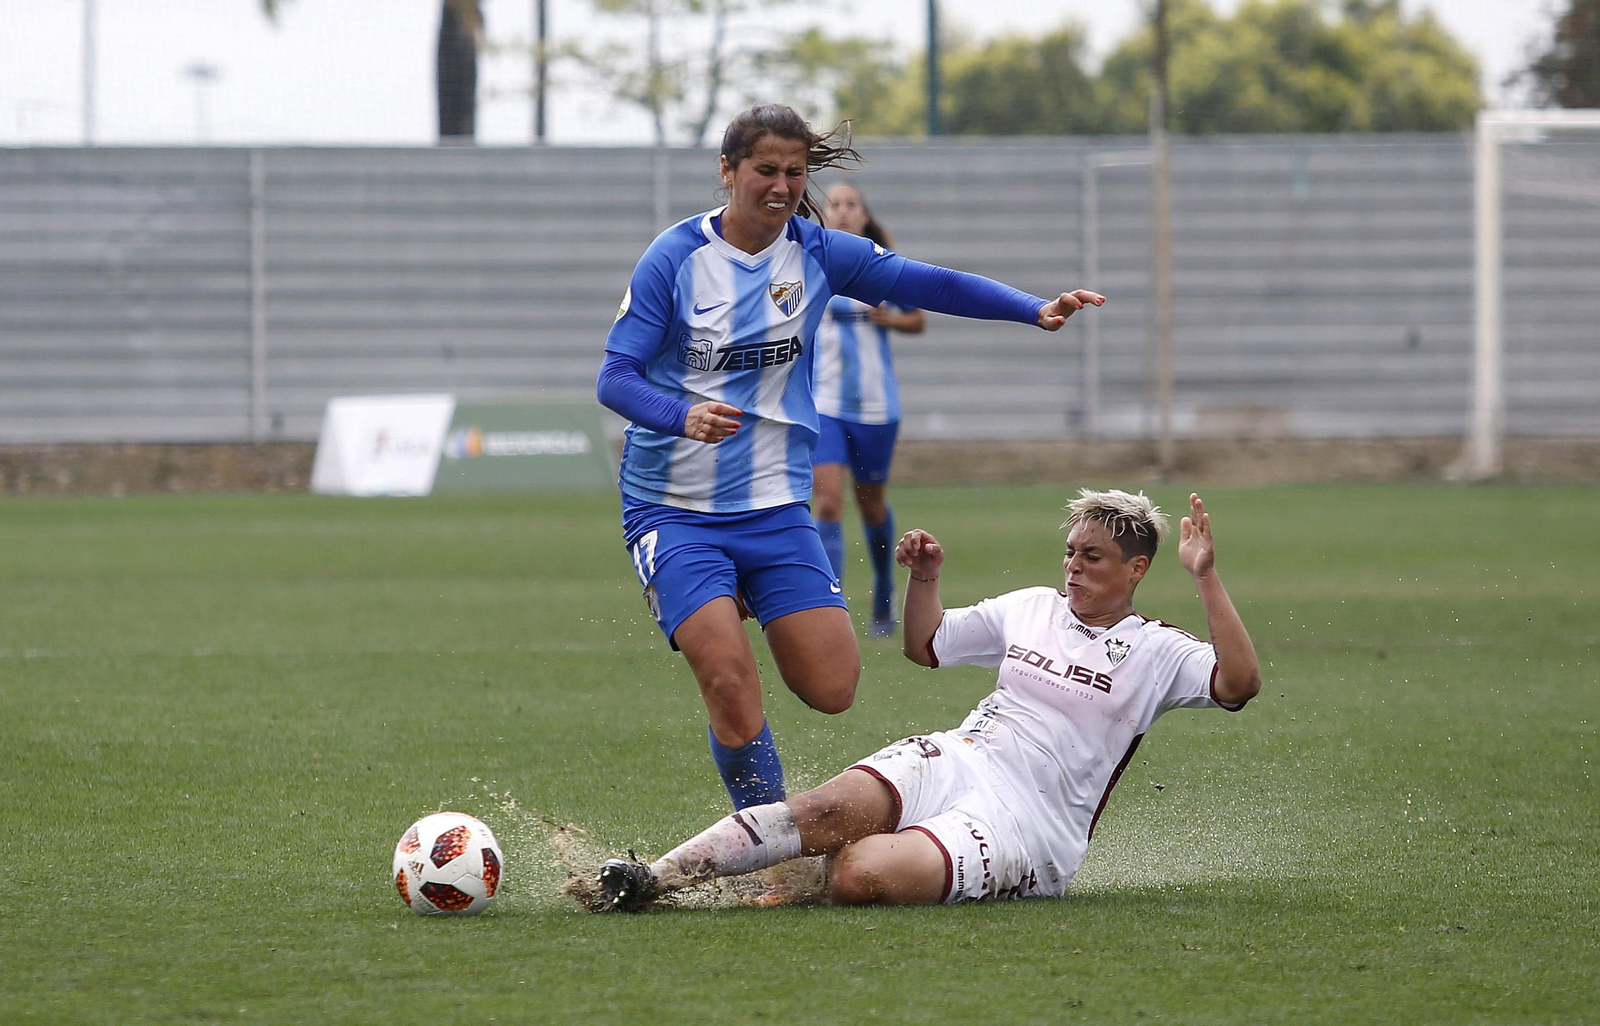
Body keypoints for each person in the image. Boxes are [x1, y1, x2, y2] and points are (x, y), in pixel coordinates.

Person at [594, 102, 1105, 815]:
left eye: (793, 171)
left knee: (833, 690)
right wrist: (682, 414)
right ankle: (763, 847)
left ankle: (737, 596)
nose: (780, 184)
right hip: (674, 510)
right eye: (764, 169)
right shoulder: (674, 259)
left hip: (773, 505)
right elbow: (614, 378)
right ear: (727, 171)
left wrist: (1033, 308)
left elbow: (925, 283)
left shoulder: (817, 251)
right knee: (732, 686)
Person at [591, 490, 1261, 910]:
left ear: (1136, 569)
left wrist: (1205, 578)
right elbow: (928, 643)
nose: (1073, 568)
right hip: (962, 754)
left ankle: (810, 872)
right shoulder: (1033, 608)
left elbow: (1239, 683)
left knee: (858, 874)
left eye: (1092, 557)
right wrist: (927, 580)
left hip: (1028, 824)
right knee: (822, 809)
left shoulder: (1157, 649)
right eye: (1069, 553)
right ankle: (652, 878)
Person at [812, 182, 924, 638]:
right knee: (828, 500)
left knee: (871, 506)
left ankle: (883, 587)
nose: (841, 212)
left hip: (877, 407)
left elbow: (917, 318)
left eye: (850, 205)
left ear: (863, 216)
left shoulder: (879, 266)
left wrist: (891, 318)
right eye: (833, 204)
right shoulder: (808, 264)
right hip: (823, 404)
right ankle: (828, 605)